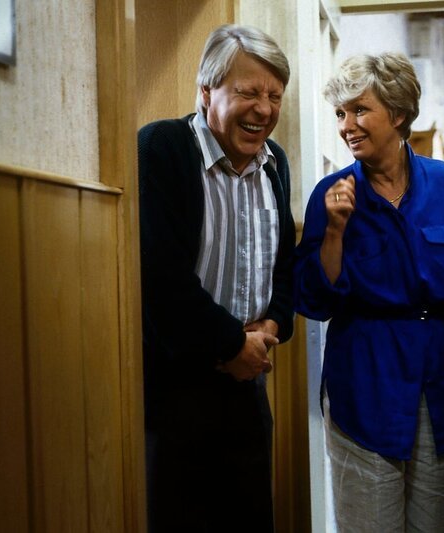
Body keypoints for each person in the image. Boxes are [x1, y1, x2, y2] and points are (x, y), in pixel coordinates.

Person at [294, 52, 444, 532]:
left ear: (399, 113)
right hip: (364, 385)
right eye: (341, 113)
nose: (347, 125)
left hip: (437, 382)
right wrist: (337, 231)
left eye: (359, 110)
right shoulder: (331, 193)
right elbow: (313, 300)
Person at [137, 24, 295, 532]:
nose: (264, 109)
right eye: (248, 92)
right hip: (176, 391)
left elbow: (284, 260)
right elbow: (160, 277)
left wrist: (273, 324)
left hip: (250, 382)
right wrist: (231, 342)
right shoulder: (162, 147)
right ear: (206, 92)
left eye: (274, 95)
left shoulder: (276, 163)